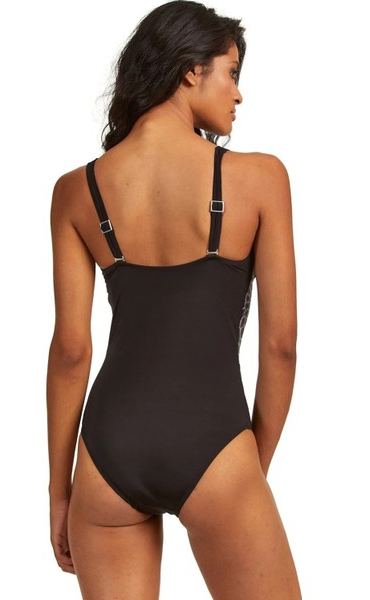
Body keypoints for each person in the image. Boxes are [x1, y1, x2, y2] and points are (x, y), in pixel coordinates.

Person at [46, 1, 301, 598]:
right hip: (214, 439)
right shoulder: (261, 178)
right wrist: (247, 470)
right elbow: (281, 346)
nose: (238, 94)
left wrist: (61, 492)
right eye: (231, 73)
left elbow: (71, 351)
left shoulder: (76, 191)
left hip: (107, 454)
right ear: (191, 69)